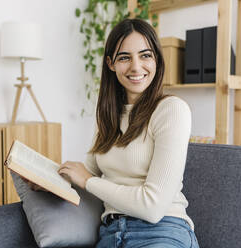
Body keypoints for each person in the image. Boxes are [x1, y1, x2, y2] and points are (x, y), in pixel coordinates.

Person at [35, 18, 199, 248]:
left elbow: (152, 207)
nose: (135, 67)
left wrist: (87, 180)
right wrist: (53, 181)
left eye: (145, 55)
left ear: (157, 60)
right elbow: (88, 175)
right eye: (124, 57)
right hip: (111, 235)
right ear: (111, 63)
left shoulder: (171, 110)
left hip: (163, 231)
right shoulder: (107, 114)